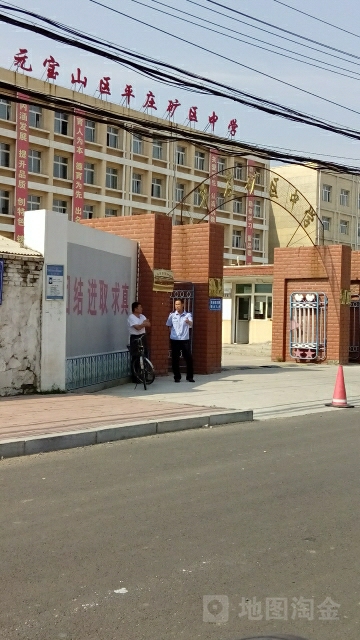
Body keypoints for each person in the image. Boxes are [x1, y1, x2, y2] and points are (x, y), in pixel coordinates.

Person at [166, 298, 195, 383]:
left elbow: (191, 323)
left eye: (178, 304)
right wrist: (172, 335)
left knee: (188, 358)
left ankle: (189, 377)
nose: (177, 306)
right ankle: (177, 377)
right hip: (175, 340)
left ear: (183, 305)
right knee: (175, 359)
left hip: (184, 340)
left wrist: (188, 321)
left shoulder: (188, 315)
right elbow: (169, 325)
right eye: (176, 305)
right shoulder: (172, 315)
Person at [128, 302, 151, 380]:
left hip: (142, 336)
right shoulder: (131, 317)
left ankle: (145, 375)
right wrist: (143, 324)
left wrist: (142, 324)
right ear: (135, 309)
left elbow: (148, 324)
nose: (142, 309)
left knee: (145, 354)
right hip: (135, 337)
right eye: (140, 307)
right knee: (136, 356)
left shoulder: (142, 316)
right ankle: (136, 377)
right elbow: (137, 328)